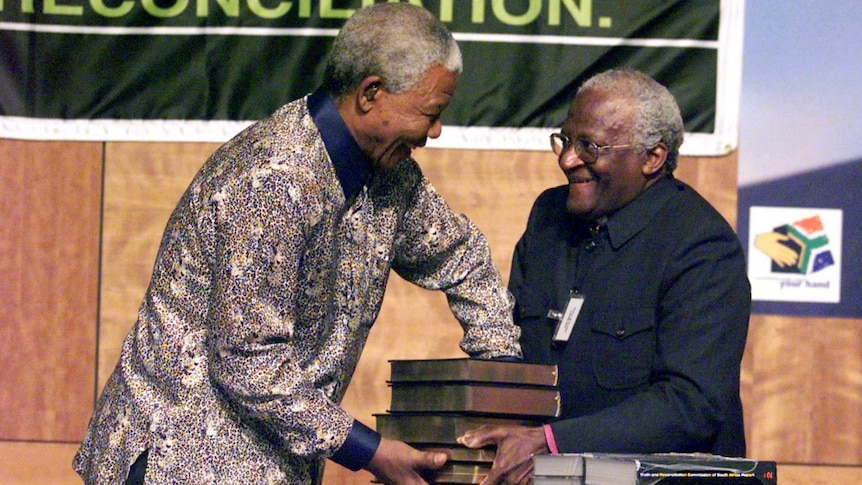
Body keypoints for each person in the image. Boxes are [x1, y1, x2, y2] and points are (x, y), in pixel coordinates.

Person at [73, 4, 523, 484]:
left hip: (269, 463)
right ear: (370, 93)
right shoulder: (271, 178)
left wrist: (503, 386)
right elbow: (248, 361)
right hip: (181, 460)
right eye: (430, 113)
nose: (434, 133)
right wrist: (370, 452)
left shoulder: (390, 176)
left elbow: (462, 257)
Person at [457, 69, 751, 484]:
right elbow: (514, 351)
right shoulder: (548, 216)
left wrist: (552, 443)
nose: (567, 159)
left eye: (590, 147)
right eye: (565, 140)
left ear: (652, 158)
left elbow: (692, 404)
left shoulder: (702, 247)